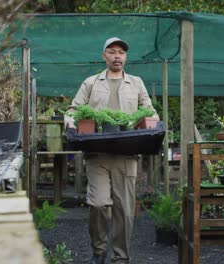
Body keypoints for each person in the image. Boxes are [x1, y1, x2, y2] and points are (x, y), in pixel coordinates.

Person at [64, 37, 158, 264]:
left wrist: (152, 120)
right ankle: (99, 250)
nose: (117, 56)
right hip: (97, 154)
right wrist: (70, 122)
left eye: (121, 53)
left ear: (125, 57)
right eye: (112, 52)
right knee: (97, 203)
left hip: (127, 155)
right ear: (104, 56)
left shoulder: (136, 83)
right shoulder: (91, 83)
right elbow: (73, 110)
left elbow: (150, 111)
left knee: (124, 211)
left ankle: (121, 257)